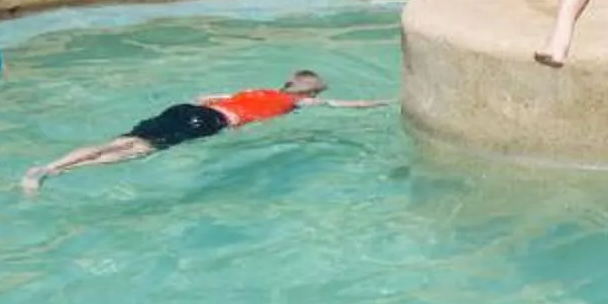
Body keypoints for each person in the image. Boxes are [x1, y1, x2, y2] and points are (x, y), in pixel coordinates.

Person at [20, 69, 388, 193]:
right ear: (308, 93)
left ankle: (51, 164)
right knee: (139, 151)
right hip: (210, 122)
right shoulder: (298, 104)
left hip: (191, 109)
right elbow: (346, 106)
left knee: (119, 141)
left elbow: (203, 95)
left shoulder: (255, 91)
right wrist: (378, 103)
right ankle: (58, 174)